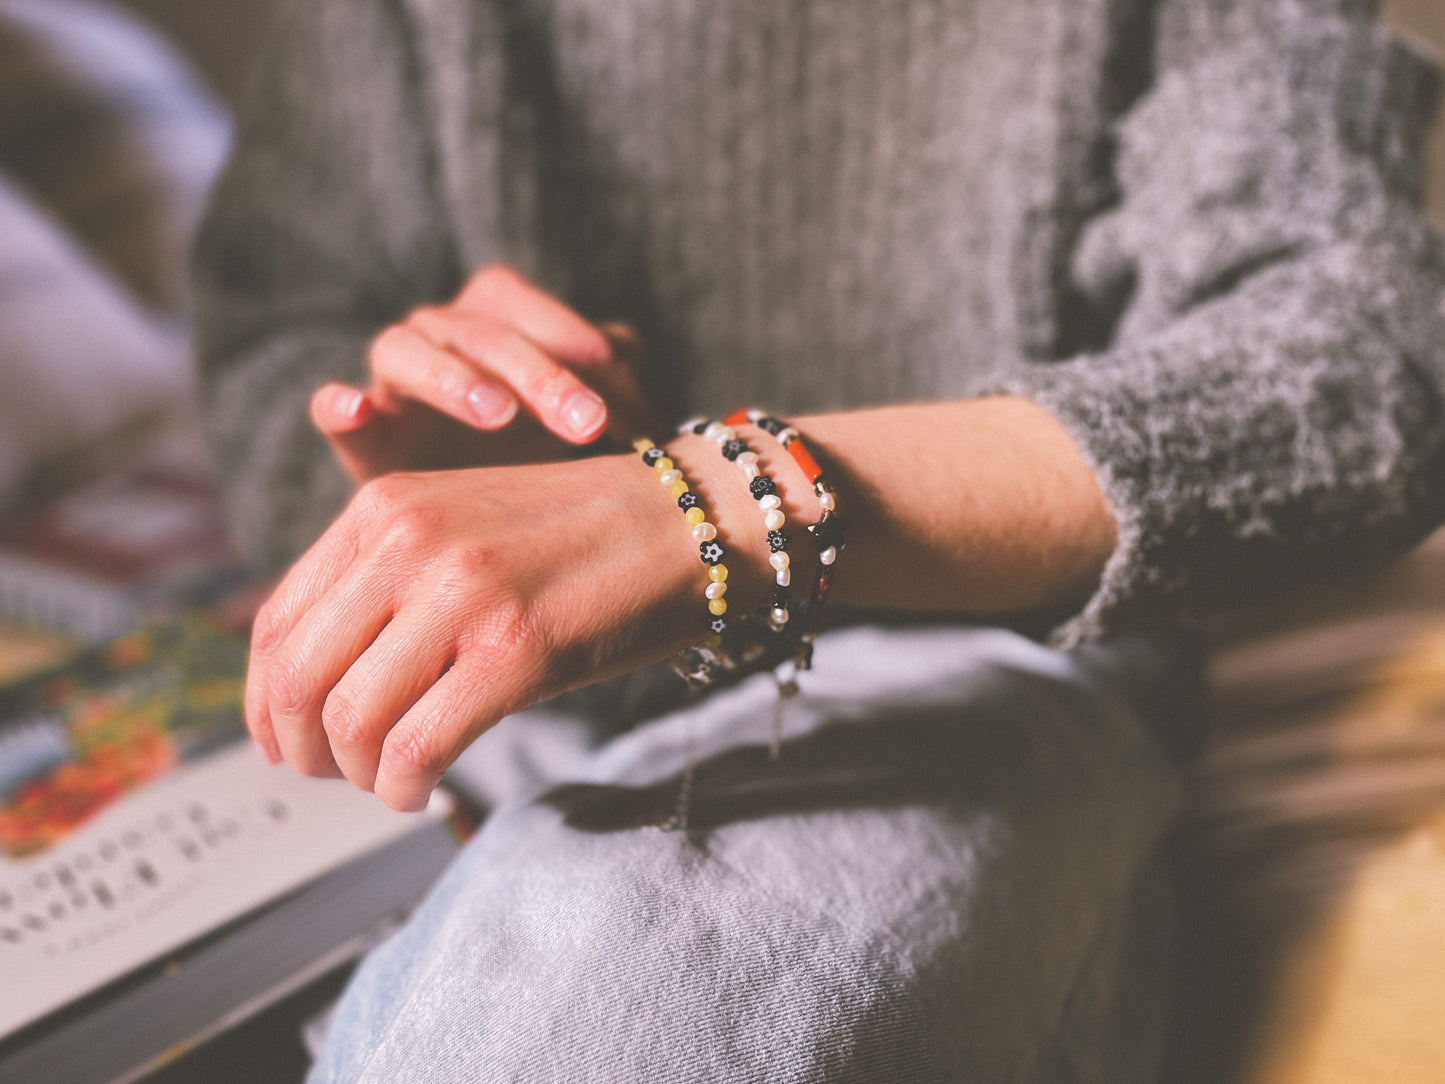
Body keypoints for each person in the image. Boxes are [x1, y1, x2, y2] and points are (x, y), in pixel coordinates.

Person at [193, 0, 1445, 1078]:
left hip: (976, 648)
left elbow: (1356, 360)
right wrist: (407, 437)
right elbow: (268, 334)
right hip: (466, 684)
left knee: (622, 1015)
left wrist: (724, 502)